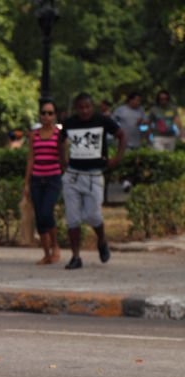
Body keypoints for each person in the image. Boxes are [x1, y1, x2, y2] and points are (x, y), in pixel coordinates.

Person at [59, 92, 126, 270]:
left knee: (92, 215)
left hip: (94, 175)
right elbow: (60, 140)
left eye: (87, 107)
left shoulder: (102, 121)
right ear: (76, 109)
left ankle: (102, 240)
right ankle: (75, 256)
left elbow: (121, 135)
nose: (84, 111)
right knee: (72, 218)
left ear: (93, 107)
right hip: (73, 174)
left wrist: (117, 158)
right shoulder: (69, 123)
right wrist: (63, 160)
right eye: (81, 107)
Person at [23, 98, 62, 265]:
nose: (46, 116)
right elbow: (31, 159)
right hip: (37, 179)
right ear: (40, 115)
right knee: (40, 216)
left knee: (47, 212)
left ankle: (55, 246)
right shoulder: (34, 135)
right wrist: (26, 182)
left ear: (54, 116)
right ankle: (46, 254)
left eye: (50, 113)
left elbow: (63, 157)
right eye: (44, 113)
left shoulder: (59, 135)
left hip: (53, 178)